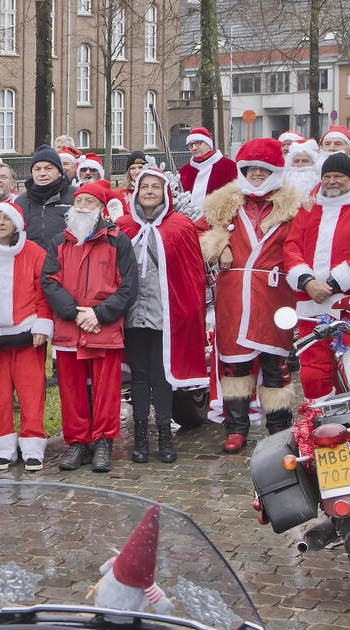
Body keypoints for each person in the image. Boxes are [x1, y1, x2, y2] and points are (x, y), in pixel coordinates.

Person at [198, 138, 303, 452]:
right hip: (234, 294)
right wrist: (222, 244)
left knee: (276, 363)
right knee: (235, 364)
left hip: (274, 294)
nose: (257, 173)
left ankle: (279, 427)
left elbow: (303, 242)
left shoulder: (293, 206)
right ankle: (236, 427)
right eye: (251, 168)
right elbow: (199, 229)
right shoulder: (224, 202)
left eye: (263, 168)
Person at [113, 170, 207, 465]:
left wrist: (189, 310)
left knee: (162, 376)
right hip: (132, 316)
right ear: (136, 192)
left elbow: (193, 275)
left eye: (156, 187)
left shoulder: (180, 226)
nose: (150, 191)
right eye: (145, 187)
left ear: (166, 193)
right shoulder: (123, 226)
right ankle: (141, 435)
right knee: (139, 376)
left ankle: (165, 432)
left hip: (167, 315)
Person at [42, 186, 137, 472]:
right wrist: (74, 313)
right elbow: (49, 280)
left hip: (103, 328)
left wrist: (98, 314)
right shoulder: (59, 242)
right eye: (79, 201)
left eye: (90, 201)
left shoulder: (117, 241)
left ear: (101, 207)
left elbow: (128, 287)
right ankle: (77, 442)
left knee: (107, 390)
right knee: (71, 390)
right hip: (70, 329)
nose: (82, 206)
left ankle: (104, 441)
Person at [283, 153, 350, 399]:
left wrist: (331, 284)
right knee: (312, 374)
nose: (331, 181)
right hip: (312, 308)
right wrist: (307, 281)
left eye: (338, 176)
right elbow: (291, 247)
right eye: (327, 177)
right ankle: (319, 428)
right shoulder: (308, 211)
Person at [0, 203, 51, 472]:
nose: (0, 222)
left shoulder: (34, 252)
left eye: (6, 217)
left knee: (31, 392)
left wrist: (42, 324)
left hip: (28, 334)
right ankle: (4, 447)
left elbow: (43, 290)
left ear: (17, 222)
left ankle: (32, 444)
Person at [16, 144, 77, 253]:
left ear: (59, 172)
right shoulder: (21, 201)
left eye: (48, 168)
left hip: (65, 263)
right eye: (37, 169)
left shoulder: (76, 196)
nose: (42, 173)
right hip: (31, 264)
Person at [178, 127, 238, 206]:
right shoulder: (184, 171)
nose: (194, 148)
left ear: (209, 144)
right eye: (190, 145)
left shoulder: (229, 167)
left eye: (198, 143)